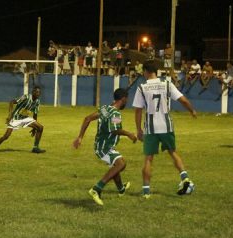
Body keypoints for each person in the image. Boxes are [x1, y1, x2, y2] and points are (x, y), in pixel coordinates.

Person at [132, 61, 197, 198]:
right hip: (166, 126)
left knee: (149, 159)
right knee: (172, 152)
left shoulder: (142, 87)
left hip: (151, 128)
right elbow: (183, 100)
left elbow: (138, 111)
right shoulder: (166, 84)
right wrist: (192, 110)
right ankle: (185, 178)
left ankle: (146, 192)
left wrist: (138, 130)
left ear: (145, 71)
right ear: (156, 71)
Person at [73, 88, 137, 206]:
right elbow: (115, 130)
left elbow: (87, 118)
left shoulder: (105, 109)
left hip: (101, 145)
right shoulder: (115, 113)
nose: (126, 102)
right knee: (121, 164)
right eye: (126, 100)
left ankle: (121, 189)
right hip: (104, 147)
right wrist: (130, 134)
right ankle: (97, 189)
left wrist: (80, 137)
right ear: (123, 99)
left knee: (116, 165)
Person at [0, 86, 45, 153]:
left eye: (39, 92)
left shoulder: (37, 101)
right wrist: (10, 115)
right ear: (33, 92)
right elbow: (12, 102)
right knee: (6, 136)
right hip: (15, 118)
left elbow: (35, 114)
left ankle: (35, 148)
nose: (38, 94)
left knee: (40, 127)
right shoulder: (25, 97)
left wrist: (35, 128)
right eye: (37, 92)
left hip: (25, 118)